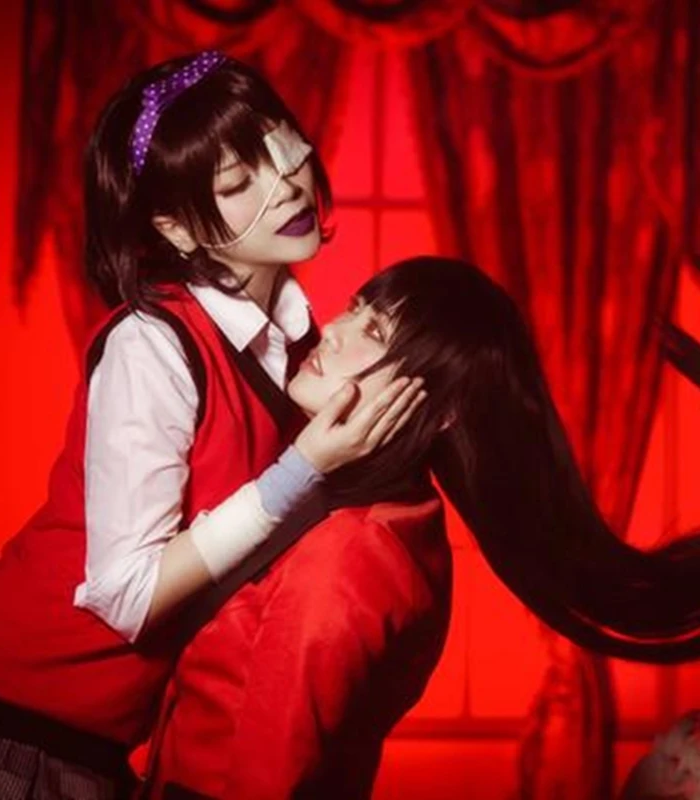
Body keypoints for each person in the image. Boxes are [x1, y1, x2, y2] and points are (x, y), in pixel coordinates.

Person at [0, 52, 422, 799]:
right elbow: (129, 595)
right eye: (237, 185)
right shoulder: (152, 343)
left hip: (89, 745)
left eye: (282, 148)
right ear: (176, 229)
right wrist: (303, 469)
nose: (286, 187)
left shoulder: (307, 351)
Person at [147, 256, 700, 800]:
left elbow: (266, 778)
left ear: (441, 410)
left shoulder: (353, 555)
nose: (334, 331)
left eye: (374, 332)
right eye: (354, 309)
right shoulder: (381, 512)